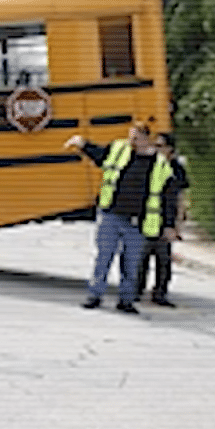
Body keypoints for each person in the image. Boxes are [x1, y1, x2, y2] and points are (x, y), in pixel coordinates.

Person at [65, 121, 180, 315]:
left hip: (137, 221)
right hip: (111, 214)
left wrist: (169, 225)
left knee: (131, 262)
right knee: (104, 257)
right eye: (130, 136)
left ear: (146, 139)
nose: (131, 141)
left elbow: (168, 198)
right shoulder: (119, 150)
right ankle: (95, 296)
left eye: (135, 137)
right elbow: (100, 156)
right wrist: (83, 144)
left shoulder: (160, 165)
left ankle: (126, 300)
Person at [134, 133, 190, 307]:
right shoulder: (148, 164)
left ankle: (160, 293)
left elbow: (180, 199)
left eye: (160, 146)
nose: (157, 149)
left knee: (163, 261)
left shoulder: (176, 169)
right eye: (155, 145)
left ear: (170, 149)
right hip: (146, 220)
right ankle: (136, 291)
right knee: (140, 259)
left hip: (166, 222)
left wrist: (177, 226)